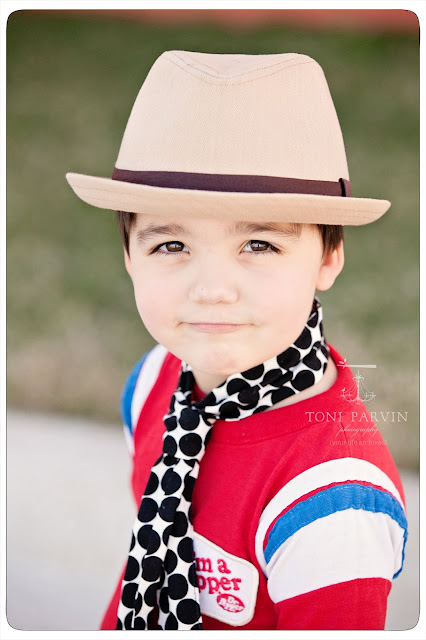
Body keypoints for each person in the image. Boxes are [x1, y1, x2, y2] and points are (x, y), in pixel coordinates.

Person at [66, 50, 407, 631]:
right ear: (128, 257)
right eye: (171, 245)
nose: (213, 290)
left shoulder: (333, 506)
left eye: (259, 245)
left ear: (329, 257)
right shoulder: (151, 382)